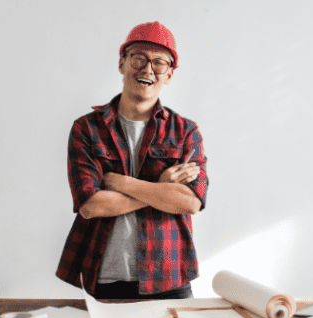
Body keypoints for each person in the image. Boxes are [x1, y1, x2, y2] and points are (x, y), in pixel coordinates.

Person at [55, 21, 208, 300]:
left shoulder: (185, 131)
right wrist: (161, 186)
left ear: (170, 74)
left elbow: (190, 203)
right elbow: (91, 206)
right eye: (139, 58)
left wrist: (121, 183)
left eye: (160, 63)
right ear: (122, 63)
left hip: (170, 278)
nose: (148, 69)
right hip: (105, 278)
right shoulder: (87, 129)